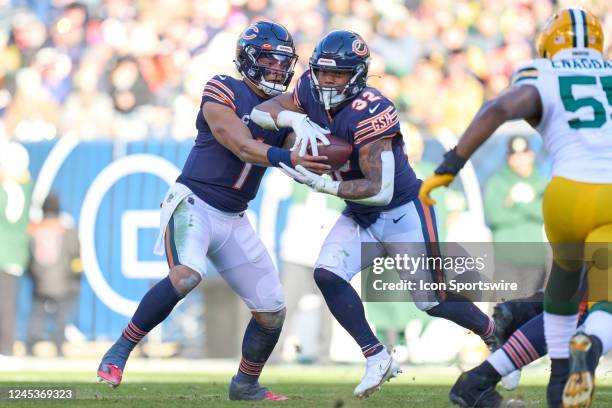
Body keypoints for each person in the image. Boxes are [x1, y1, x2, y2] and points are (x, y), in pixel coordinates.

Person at [251, 30, 495, 399]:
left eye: (339, 73)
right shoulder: (308, 90)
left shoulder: (373, 109)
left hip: (401, 212)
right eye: (323, 72)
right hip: (359, 214)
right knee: (327, 274)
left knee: (431, 301)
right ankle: (377, 356)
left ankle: (496, 335)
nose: (328, 80)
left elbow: (379, 191)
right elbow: (259, 111)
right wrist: (294, 121)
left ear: (359, 74)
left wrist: (326, 186)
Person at [96, 21, 329, 401]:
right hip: (194, 202)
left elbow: (301, 154)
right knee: (186, 276)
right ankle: (120, 349)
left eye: (283, 64)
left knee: (272, 311)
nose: (277, 71)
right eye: (269, 62)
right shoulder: (224, 87)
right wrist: (290, 154)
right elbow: (238, 142)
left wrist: (325, 155)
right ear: (249, 61)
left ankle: (245, 384)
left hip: (235, 216)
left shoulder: (284, 107)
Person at [419, 8, 612, 408]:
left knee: (567, 294)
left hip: (564, 197)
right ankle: (588, 348)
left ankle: (537, 383)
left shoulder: (542, 72)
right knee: (598, 302)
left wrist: (449, 165)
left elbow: (499, 109)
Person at [484, 135, 548, 296]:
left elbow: (547, 213)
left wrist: (516, 203)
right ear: (508, 158)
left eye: (523, 154)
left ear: (531, 155)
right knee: (504, 310)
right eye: (515, 155)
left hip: (536, 260)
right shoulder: (497, 183)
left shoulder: (542, 182)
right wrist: (531, 211)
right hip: (506, 260)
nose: (520, 160)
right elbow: (495, 216)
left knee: (530, 312)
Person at [26, 193, 82, 357]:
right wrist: (76, 276)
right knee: (61, 315)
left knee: (37, 313)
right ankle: (58, 346)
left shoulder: (32, 228)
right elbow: (76, 255)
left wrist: (34, 274)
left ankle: (30, 346)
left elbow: (27, 256)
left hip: (39, 282)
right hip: (63, 283)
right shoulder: (67, 230)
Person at [0, 141, 31, 358]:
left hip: (5, 252)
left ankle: (6, 347)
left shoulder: (11, 187)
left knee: (5, 304)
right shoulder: (23, 185)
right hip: (12, 252)